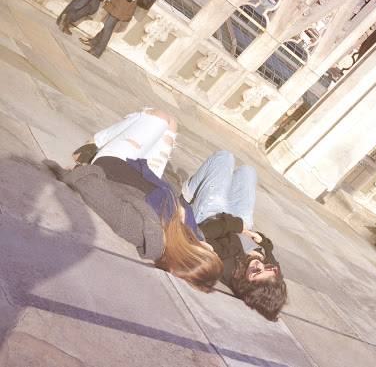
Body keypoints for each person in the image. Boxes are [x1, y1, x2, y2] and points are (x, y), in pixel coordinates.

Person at [43, 108, 223, 293]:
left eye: (212, 253)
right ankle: (101, 144)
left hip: (115, 165)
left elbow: (105, 202)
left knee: (159, 116)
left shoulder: (144, 232)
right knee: (172, 123)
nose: (213, 249)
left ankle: (96, 143)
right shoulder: (190, 234)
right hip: (147, 175)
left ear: (193, 253)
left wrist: (80, 175)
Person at [181, 151, 288, 321]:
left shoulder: (227, 267)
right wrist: (261, 241)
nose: (260, 265)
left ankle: (186, 194)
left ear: (247, 285)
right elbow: (269, 248)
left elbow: (203, 233)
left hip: (213, 215)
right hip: (240, 222)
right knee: (248, 172)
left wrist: (234, 225)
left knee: (224, 157)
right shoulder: (270, 273)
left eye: (256, 272)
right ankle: (202, 188)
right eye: (269, 268)